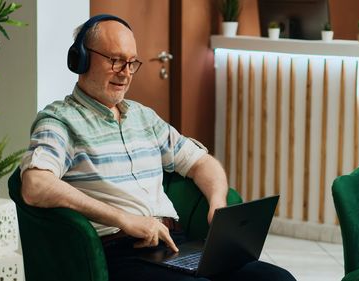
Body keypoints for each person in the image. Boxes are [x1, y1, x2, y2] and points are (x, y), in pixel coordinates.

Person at [20, 14, 296, 281]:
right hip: (119, 252)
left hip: (175, 244)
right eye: (116, 61)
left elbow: (201, 162)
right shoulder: (59, 121)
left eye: (131, 63)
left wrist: (217, 202)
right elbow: (36, 185)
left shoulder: (144, 117)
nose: (125, 74)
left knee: (277, 278)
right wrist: (125, 219)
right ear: (81, 58)